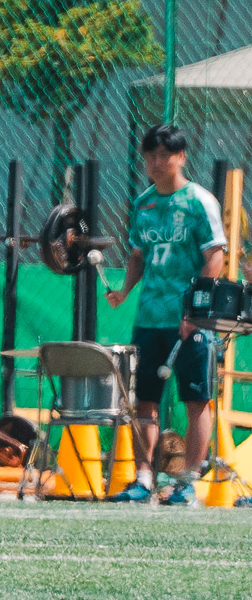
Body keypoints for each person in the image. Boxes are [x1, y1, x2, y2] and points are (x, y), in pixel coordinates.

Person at [109, 124, 226, 504]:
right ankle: (145, 478)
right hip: (149, 318)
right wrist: (125, 291)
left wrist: (195, 313)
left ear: (182, 157)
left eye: (165, 155)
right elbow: (138, 255)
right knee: (146, 400)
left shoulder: (198, 201)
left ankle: (188, 481)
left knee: (196, 400)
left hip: (191, 322)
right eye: (151, 156)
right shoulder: (143, 203)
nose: (158, 163)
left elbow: (215, 258)